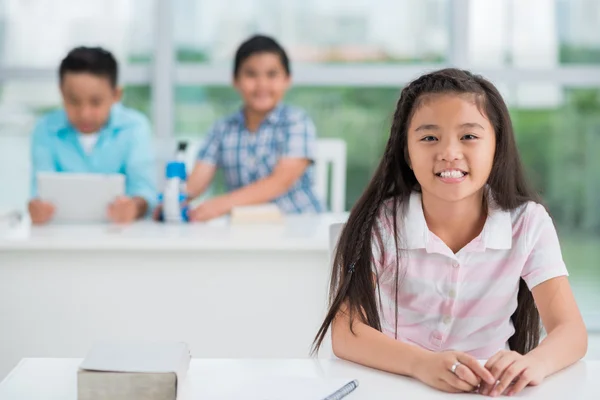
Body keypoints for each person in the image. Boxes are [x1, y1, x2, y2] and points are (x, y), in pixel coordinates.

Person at [312, 69, 587, 396]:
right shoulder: (382, 223)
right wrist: (422, 364)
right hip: (397, 385)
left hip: (490, 392)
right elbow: (346, 332)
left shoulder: (527, 222)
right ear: (407, 153)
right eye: (429, 137)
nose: (449, 152)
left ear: (497, 147)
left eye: (469, 136)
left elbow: (570, 330)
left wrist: (536, 362)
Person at [183, 35, 323, 221]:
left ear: (287, 79)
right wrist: (173, 201)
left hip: (300, 226)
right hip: (245, 232)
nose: (261, 84)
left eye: (272, 74)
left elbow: (280, 182)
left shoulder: (297, 121)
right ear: (235, 80)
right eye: (251, 74)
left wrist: (221, 204)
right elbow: (194, 185)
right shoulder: (222, 129)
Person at [28, 46, 156, 224]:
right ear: (61, 93)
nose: (84, 113)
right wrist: (37, 208)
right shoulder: (45, 129)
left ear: (116, 95)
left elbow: (145, 191)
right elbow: (39, 190)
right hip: (60, 236)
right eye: (73, 101)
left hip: (121, 235)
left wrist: (133, 207)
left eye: (95, 102)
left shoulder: (135, 127)